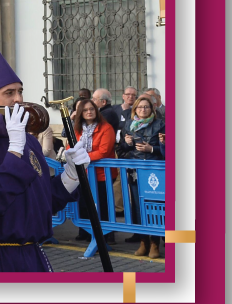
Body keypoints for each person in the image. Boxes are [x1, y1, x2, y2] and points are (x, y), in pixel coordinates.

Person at [0, 6, 87, 272]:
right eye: (9, 93)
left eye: (20, 91)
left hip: (34, 256)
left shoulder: (30, 140)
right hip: (0, 258)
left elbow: (43, 201)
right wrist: (14, 152)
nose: (17, 99)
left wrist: (70, 177)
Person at [118, 95, 165, 259]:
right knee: (138, 207)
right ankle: (143, 241)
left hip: (154, 172)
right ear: (134, 110)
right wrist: (127, 143)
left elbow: (168, 149)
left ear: (152, 109)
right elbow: (122, 149)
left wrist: (151, 149)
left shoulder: (160, 124)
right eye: (140, 107)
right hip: (135, 171)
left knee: (154, 207)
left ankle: (155, 243)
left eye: (146, 107)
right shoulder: (129, 125)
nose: (143, 109)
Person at [70, 96, 117, 244]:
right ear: (80, 113)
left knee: (103, 205)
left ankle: (107, 235)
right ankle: (85, 231)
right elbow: (70, 147)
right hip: (83, 174)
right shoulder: (77, 129)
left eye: (91, 109)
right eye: (85, 110)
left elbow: (103, 151)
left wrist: (82, 157)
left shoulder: (106, 127)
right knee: (83, 203)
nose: (89, 112)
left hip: (103, 174)